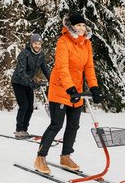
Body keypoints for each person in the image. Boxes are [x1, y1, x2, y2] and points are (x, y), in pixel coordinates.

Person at [34, 13, 104, 174]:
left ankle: (65, 156)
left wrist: (94, 87)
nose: (81, 28)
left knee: (73, 125)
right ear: (71, 27)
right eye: (78, 25)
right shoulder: (63, 42)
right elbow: (62, 67)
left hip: (76, 91)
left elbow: (89, 68)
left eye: (83, 25)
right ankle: (40, 157)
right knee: (56, 124)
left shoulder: (86, 44)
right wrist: (70, 88)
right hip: (61, 88)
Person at [11, 33, 50, 138]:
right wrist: (32, 83)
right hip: (18, 82)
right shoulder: (25, 53)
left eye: (39, 43)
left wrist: (52, 79)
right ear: (31, 43)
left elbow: (45, 69)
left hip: (28, 82)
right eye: (35, 43)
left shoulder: (41, 55)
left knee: (30, 108)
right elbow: (21, 72)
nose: (37, 45)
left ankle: (25, 129)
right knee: (24, 106)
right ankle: (19, 130)